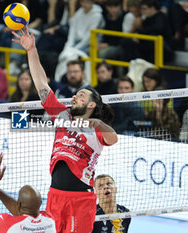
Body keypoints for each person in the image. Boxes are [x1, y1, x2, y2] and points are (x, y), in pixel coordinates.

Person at [13, 27, 118, 233]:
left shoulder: (95, 128)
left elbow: (113, 139)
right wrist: (31, 50)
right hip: (55, 196)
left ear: (91, 105)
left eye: (81, 96)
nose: (74, 97)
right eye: (76, 94)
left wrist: (96, 123)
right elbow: (41, 83)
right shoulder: (61, 116)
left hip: (80, 199)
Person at [0, 153, 56, 233]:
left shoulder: (8, 225)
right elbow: (23, 213)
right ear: (40, 203)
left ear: (19, 204)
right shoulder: (50, 219)